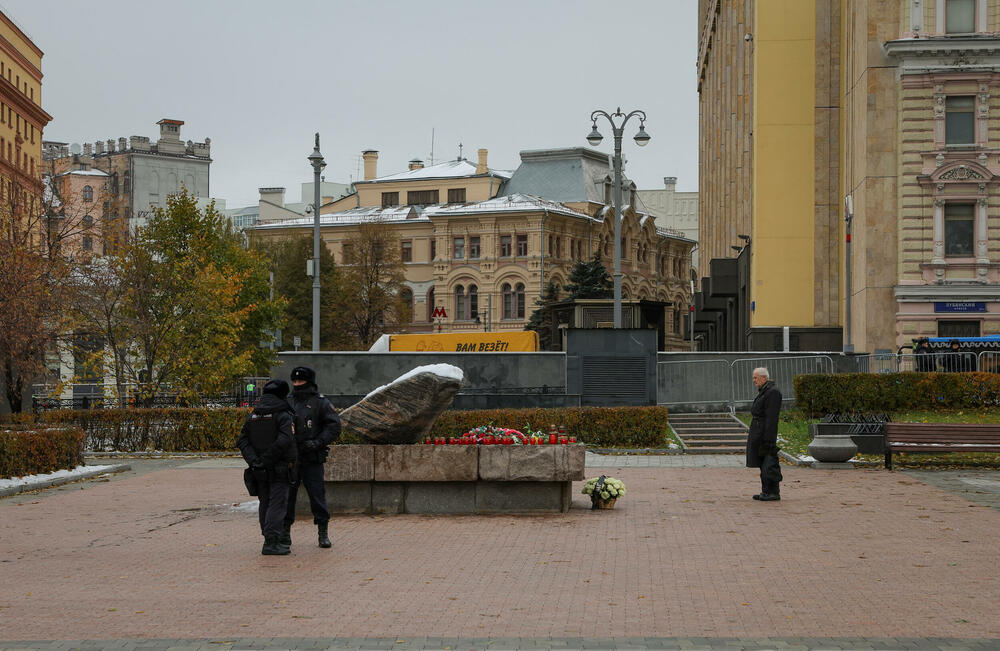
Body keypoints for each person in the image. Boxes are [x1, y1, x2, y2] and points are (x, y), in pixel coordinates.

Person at [283, 366, 341, 549]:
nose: (297, 384)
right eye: (295, 381)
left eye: (301, 381)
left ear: (310, 381)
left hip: (312, 457)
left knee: (317, 496)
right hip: (291, 458)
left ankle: (323, 532)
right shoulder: (287, 401)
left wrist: (318, 442)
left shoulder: (320, 402)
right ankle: (285, 533)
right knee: (287, 497)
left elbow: (333, 426)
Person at [237, 379, 297, 555]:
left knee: (264, 502)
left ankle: (268, 538)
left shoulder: (253, 415)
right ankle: (271, 542)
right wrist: (267, 460)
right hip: (278, 467)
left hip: (259, 469)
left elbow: (242, 440)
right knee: (277, 504)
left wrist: (255, 461)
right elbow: (285, 440)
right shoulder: (283, 415)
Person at [746, 367, 782, 501]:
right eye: (754, 377)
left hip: (765, 434)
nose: (754, 380)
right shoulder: (765, 391)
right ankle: (766, 491)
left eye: (756, 378)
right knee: (763, 463)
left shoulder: (772, 392)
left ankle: (773, 492)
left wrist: (769, 438)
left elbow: (772, 417)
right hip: (759, 432)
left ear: (764, 378)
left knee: (769, 464)